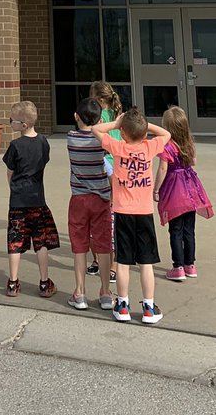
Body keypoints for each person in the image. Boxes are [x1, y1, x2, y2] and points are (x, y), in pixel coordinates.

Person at [92, 107, 170, 324]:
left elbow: (96, 129)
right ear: (145, 134)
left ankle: (123, 304)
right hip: (144, 213)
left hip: (123, 212)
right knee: (146, 263)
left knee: (124, 262)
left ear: (123, 133)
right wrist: (145, 128)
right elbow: (167, 134)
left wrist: (118, 124)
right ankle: (148, 306)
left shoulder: (118, 147)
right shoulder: (149, 146)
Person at [2, 100, 59, 298]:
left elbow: (10, 171)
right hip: (37, 199)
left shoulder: (15, 146)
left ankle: (13, 282)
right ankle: (44, 281)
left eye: (12, 121)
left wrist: (13, 187)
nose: (10, 123)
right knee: (40, 241)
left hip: (18, 201)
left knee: (15, 240)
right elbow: (43, 162)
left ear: (23, 125)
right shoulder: (43, 141)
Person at [154, 105, 214, 281]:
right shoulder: (189, 142)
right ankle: (190, 265)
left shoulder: (167, 146)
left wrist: (156, 189)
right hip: (191, 189)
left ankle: (178, 267)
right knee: (189, 230)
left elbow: (162, 169)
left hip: (174, 190)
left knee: (176, 230)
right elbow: (193, 161)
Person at [66, 96, 114, 311]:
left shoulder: (71, 137)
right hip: (102, 198)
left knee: (79, 247)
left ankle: (80, 292)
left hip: (78, 198)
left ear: (76, 117)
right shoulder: (101, 140)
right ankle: (105, 292)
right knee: (103, 246)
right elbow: (105, 130)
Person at [90, 80, 122, 280]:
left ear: (101, 100)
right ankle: (105, 261)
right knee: (109, 216)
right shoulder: (119, 114)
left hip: (106, 163)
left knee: (105, 217)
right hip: (117, 163)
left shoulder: (100, 116)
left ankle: (110, 263)